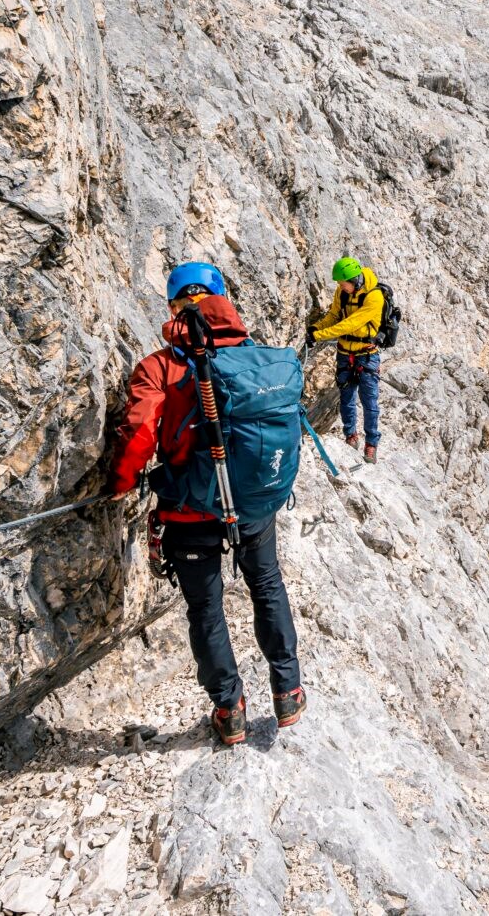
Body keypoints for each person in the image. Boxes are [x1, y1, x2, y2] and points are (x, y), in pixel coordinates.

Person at [108, 261, 306, 746]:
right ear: (221, 301)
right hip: (252, 504)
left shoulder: (159, 366)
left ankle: (230, 710)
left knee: (206, 609)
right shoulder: (252, 357)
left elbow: (139, 433)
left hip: (189, 511)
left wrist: (120, 482)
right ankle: (288, 691)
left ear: (175, 306)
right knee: (266, 585)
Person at [307, 256, 385, 463]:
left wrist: (320, 336)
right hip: (344, 352)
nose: (341, 287)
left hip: (367, 354)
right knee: (346, 397)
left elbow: (350, 323)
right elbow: (334, 315)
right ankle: (350, 435)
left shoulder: (375, 297)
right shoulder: (342, 292)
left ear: (355, 279)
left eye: (343, 283)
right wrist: (317, 327)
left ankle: (371, 444)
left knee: (369, 402)